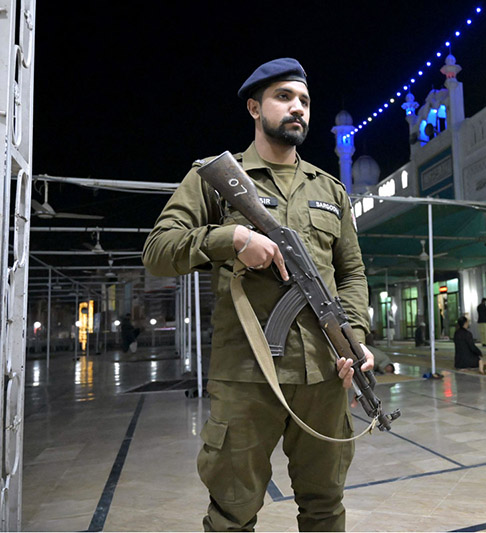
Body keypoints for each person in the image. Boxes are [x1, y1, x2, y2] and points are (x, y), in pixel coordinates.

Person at [142, 58, 373, 532]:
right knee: (233, 511)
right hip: (247, 378)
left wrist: (357, 338)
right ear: (254, 107)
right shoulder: (213, 178)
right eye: (284, 97)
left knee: (326, 505)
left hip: (326, 376)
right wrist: (232, 240)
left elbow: (351, 274)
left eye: (305, 101)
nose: (297, 109)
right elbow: (158, 251)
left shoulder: (330, 189)